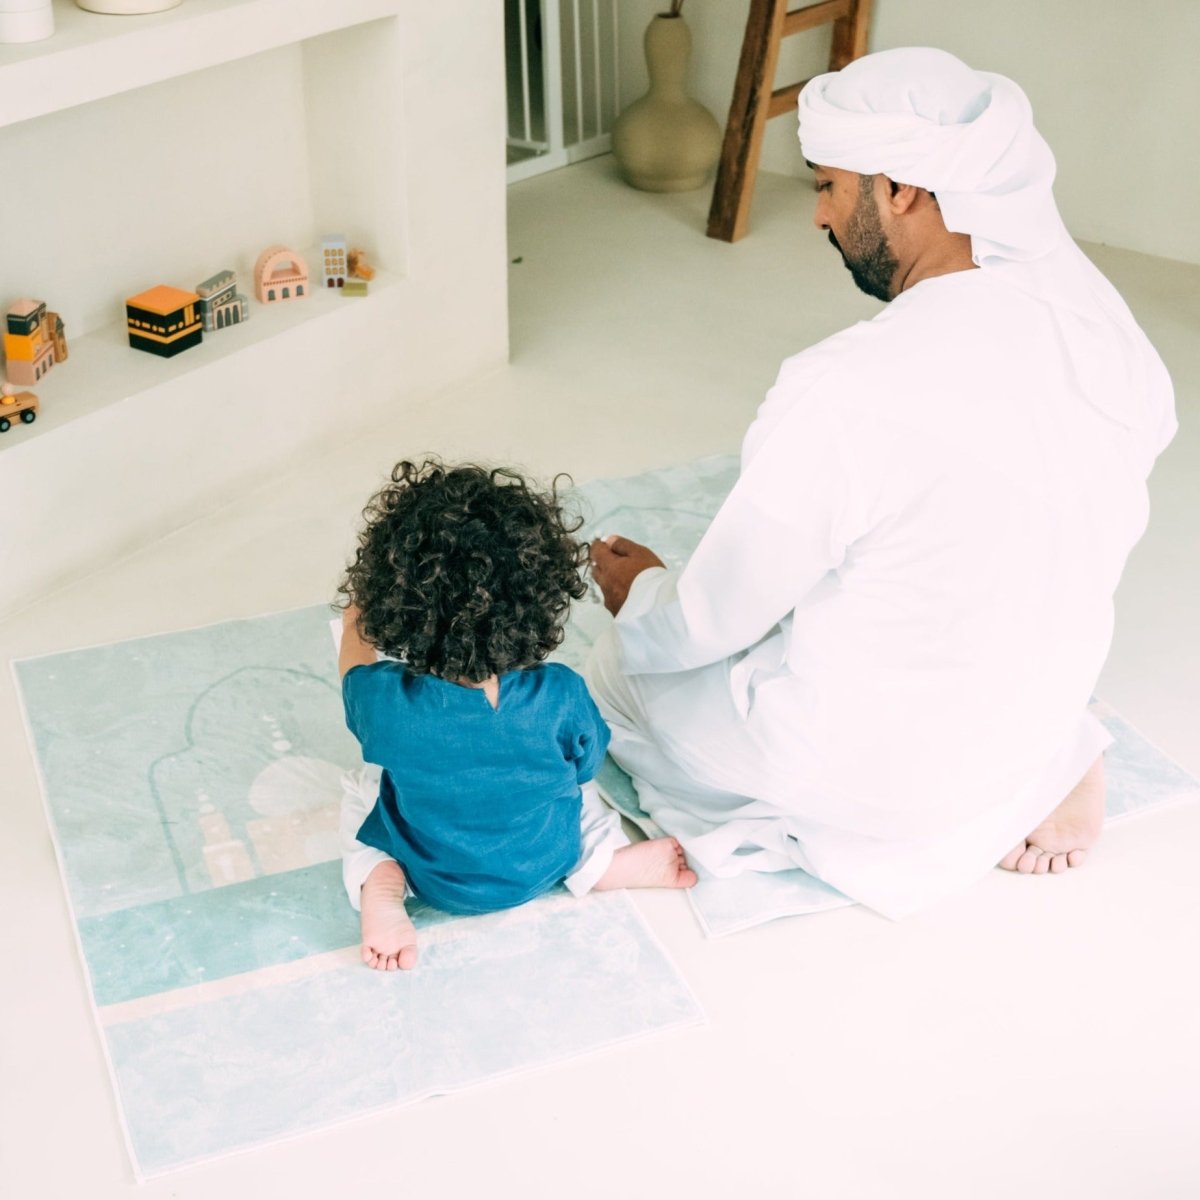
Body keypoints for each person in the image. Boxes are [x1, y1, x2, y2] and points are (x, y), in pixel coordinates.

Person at [587, 47, 1177, 919]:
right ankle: (1052, 751)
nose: (818, 216)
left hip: (879, 784)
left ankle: (941, 802)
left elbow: (713, 618)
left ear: (900, 189)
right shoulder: (1105, 327)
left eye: (827, 186)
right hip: (1028, 708)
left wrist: (639, 592)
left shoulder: (846, 385)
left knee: (618, 677)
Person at [337, 459, 696, 971]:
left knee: (361, 788)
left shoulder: (384, 703)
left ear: (394, 609)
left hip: (435, 877)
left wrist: (357, 617)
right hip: (544, 857)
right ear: (541, 601)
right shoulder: (562, 693)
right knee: (577, 791)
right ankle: (599, 864)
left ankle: (381, 881)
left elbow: (353, 667)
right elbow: (587, 766)